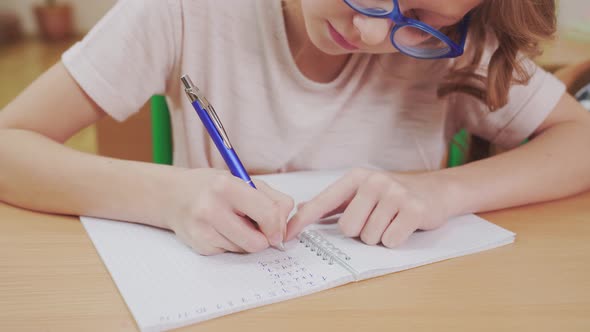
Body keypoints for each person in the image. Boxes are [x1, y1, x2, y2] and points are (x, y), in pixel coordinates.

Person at [1, 0, 589, 255]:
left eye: (422, 20)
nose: (373, 36)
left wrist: (444, 190)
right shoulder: (185, 12)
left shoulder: (457, 51)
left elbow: (581, 137)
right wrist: (167, 193)